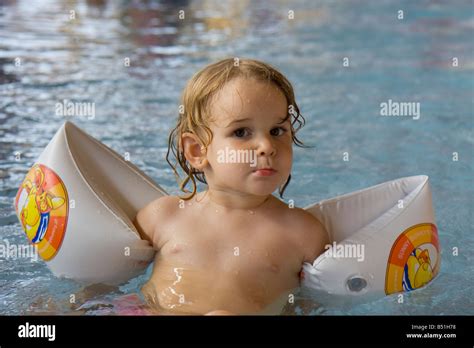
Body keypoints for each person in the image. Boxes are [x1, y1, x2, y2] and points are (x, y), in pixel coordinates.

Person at [133, 58, 328, 315]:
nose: (267, 146)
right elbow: (105, 282)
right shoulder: (163, 216)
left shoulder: (304, 232)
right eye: (241, 132)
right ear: (196, 150)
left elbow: (315, 307)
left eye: (277, 130)